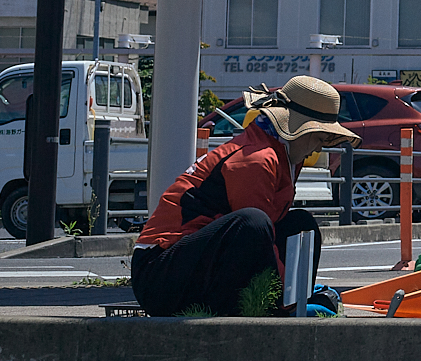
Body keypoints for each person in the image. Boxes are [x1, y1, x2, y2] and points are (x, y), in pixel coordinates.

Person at [131, 75, 359, 317]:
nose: (319, 148)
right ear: (298, 131)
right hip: (158, 273)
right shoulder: (256, 159)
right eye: (320, 138)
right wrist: (288, 301)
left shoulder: (282, 155)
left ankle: (292, 300)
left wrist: (297, 294)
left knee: (301, 225)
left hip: (192, 263)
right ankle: (281, 307)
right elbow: (259, 235)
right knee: (253, 223)